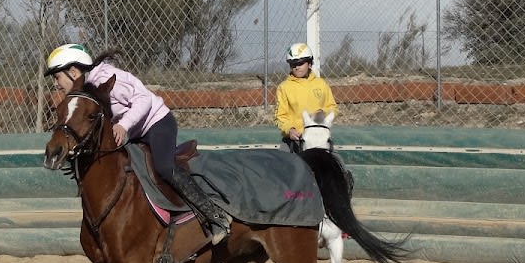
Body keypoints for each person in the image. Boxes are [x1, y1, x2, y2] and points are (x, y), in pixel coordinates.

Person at [44, 43, 230, 245]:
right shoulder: (84, 92)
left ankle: (216, 216)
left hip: (157, 123)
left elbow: (144, 99)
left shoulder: (107, 76)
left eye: (57, 76)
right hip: (133, 131)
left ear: (73, 71)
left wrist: (124, 125)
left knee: (165, 167)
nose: (56, 83)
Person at [274, 42, 338, 153]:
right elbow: (280, 116)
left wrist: (321, 114)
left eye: (300, 63)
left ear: (309, 64)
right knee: (282, 167)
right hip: (295, 141)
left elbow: (332, 108)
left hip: (319, 140)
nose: (296, 67)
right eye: (293, 64)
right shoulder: (284, 88)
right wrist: (290, 130)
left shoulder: (321, 84)